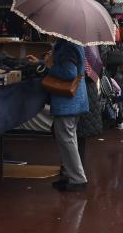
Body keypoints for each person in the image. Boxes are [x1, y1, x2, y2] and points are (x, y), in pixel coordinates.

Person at [32, 39, 89, 192]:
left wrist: (49, 66)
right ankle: (71, 176)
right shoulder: (73, 43)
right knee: (69, 139)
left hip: (68, 102)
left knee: (66, 139)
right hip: (74, 101)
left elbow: (69, 72)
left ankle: (77, 179)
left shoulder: (67, 47)